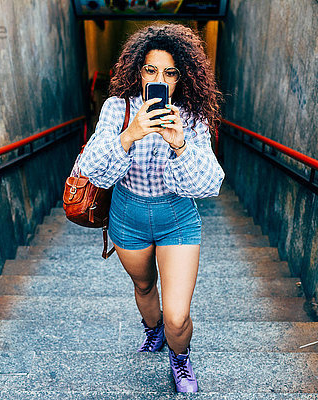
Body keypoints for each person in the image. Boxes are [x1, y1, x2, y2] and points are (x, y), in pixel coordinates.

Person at [78, 23, 224, 393]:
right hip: (127, 217)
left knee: (178, 316)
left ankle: (180, 356)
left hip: (177, 219)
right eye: (151, 70)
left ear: (182, 79)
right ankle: (153, 331)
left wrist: (180, 145)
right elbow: (92, 169)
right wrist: (131, 134)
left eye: (171, 73)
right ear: (137, 72)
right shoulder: (118, 109)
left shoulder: (191, 118)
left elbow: (210, 184)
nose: (160, 79)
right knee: (144, 286)